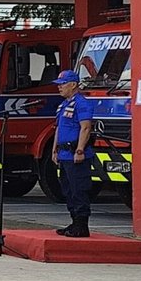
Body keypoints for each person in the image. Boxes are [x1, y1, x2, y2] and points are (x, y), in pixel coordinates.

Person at [53, 70, 95, 237]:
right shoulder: (63, 105)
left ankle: (82, 225)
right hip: (63, 154)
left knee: (79, 190)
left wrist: (80, 150)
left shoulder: (81, 103)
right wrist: (54, 149)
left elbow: (85, 128)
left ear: (73, 84)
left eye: (62, 84)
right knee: (68, 190)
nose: (59, 88)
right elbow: (58, 128)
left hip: (75, 155)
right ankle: (74, 222)